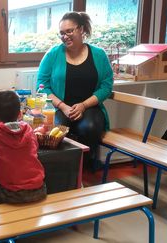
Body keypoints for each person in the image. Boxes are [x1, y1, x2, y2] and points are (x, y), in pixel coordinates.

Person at [37, 11, 113, 171]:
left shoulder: (99, 55)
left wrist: (84, 105)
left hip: (90, 107)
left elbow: (106, 86)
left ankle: (85, 168)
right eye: (62, 33)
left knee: (90, 128)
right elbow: (42, 85)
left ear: (82, 29)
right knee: (55, 133)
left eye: (69, 31)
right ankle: (61, 171)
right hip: (60, 107)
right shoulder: (53, 54)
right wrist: (63, 106)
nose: (65, 36)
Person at [0, 90, 46, 204]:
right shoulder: (29, 129)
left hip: (11, 193)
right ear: (20, 114)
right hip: (39, 190)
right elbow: (35, 147)